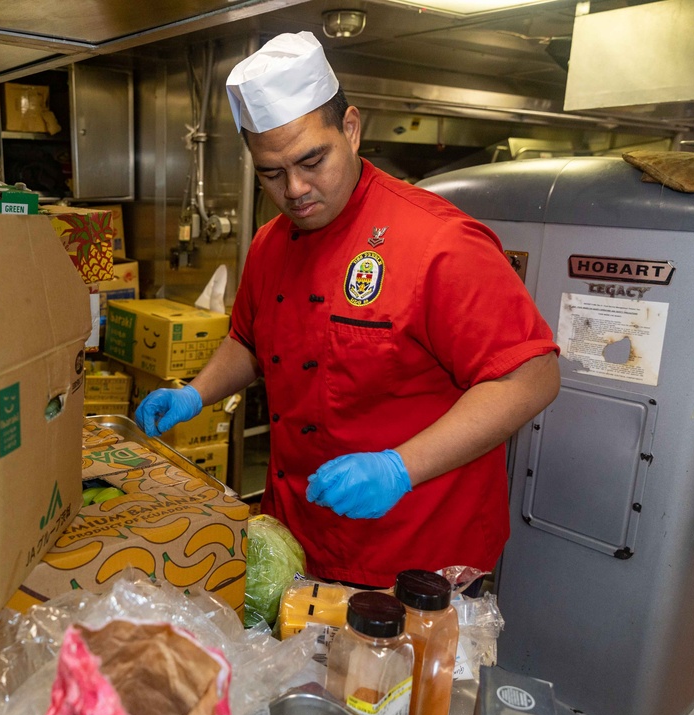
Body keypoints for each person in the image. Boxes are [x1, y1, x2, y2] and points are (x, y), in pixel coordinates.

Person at [135, 31, 560, 589]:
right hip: (298, 536)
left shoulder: (438, 242)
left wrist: (398, 467)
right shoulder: (269, 244)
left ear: (351, 130)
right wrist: (195, 393)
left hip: (416, 556)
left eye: (312, 160)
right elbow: (249, 340)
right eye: (270, 173)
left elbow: (532, 377)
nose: (295, 189)